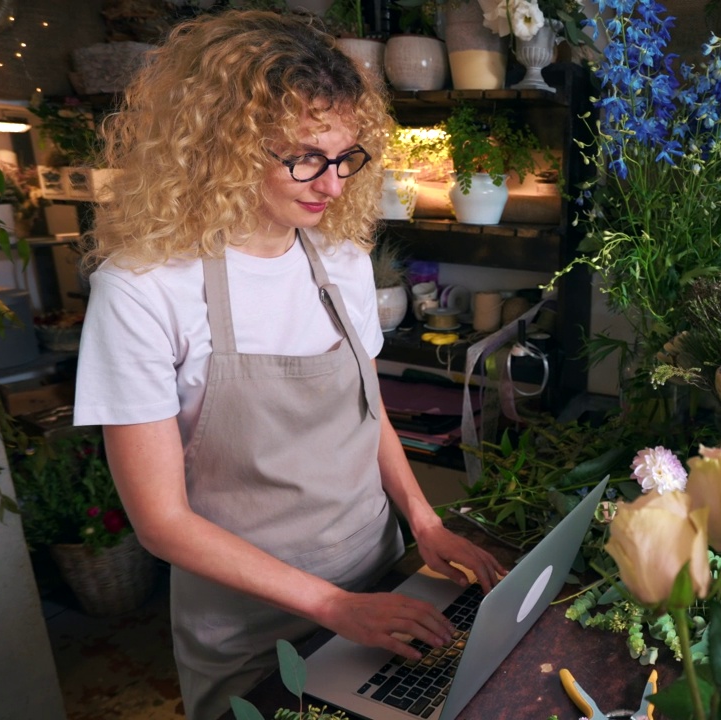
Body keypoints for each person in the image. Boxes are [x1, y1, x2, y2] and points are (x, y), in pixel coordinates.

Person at [72, 11, 505, 720]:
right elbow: (161, 522)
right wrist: (333, 606)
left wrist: (424, 523)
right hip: (248, 629)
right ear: (221, 146)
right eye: (304, 157)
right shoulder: (145, 287)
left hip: (380, 578)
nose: (332, 185)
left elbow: (367, 418)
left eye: (346, 158)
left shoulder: (340, 263)